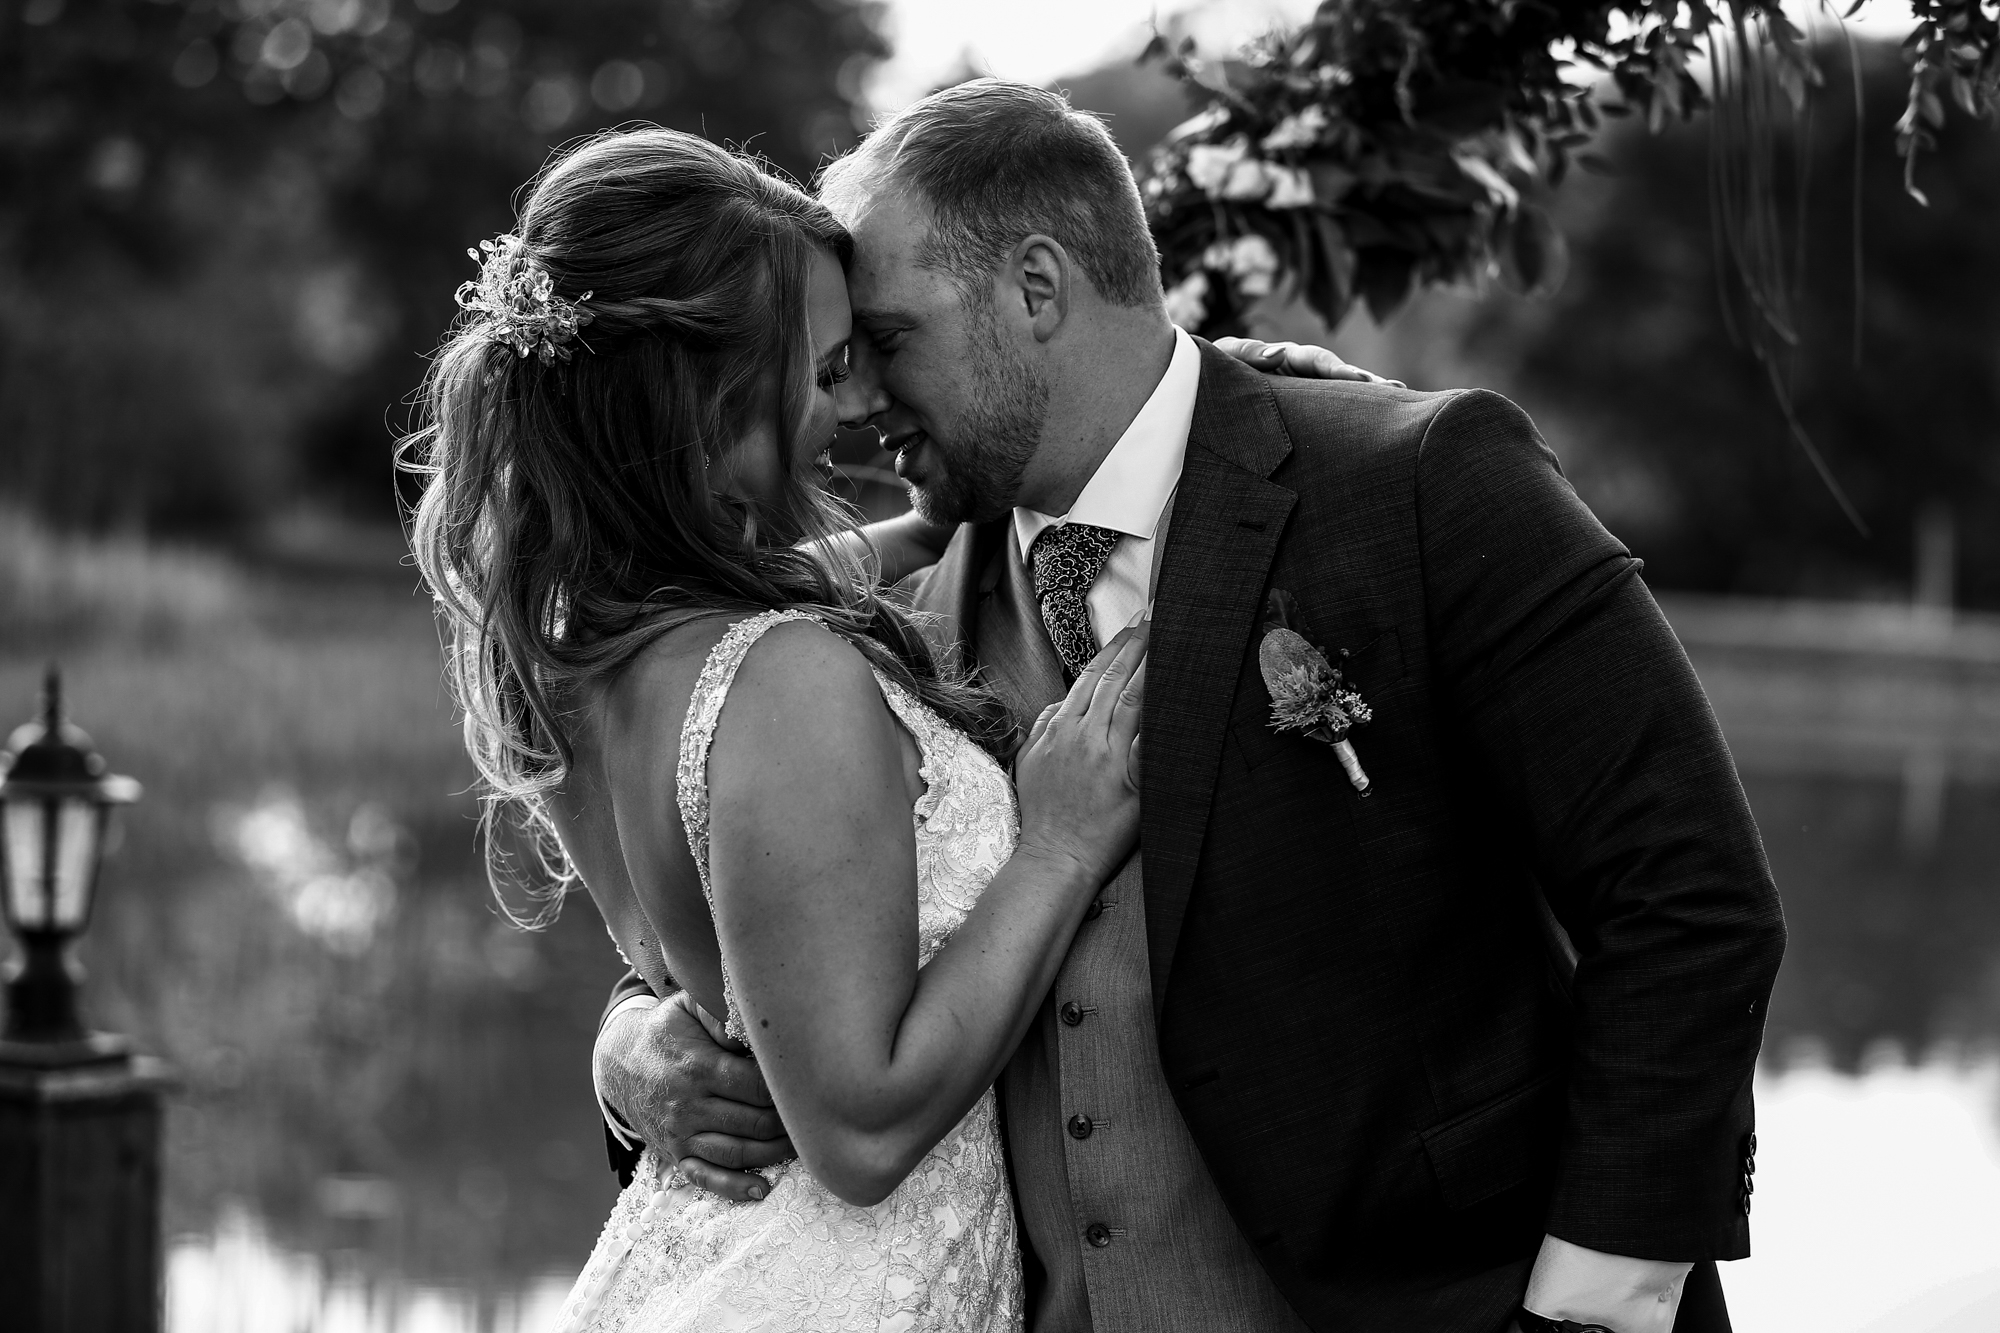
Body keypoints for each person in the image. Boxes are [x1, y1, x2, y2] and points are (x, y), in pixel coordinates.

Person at [594, 82, 1787, 1333]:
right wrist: (630, 1056)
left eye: (885, 341)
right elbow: (743, 908)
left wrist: (1589, 1312)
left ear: (1035, 290)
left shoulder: (1421, 485)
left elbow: (1688, 899)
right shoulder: (898, 618)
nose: (853, 408)